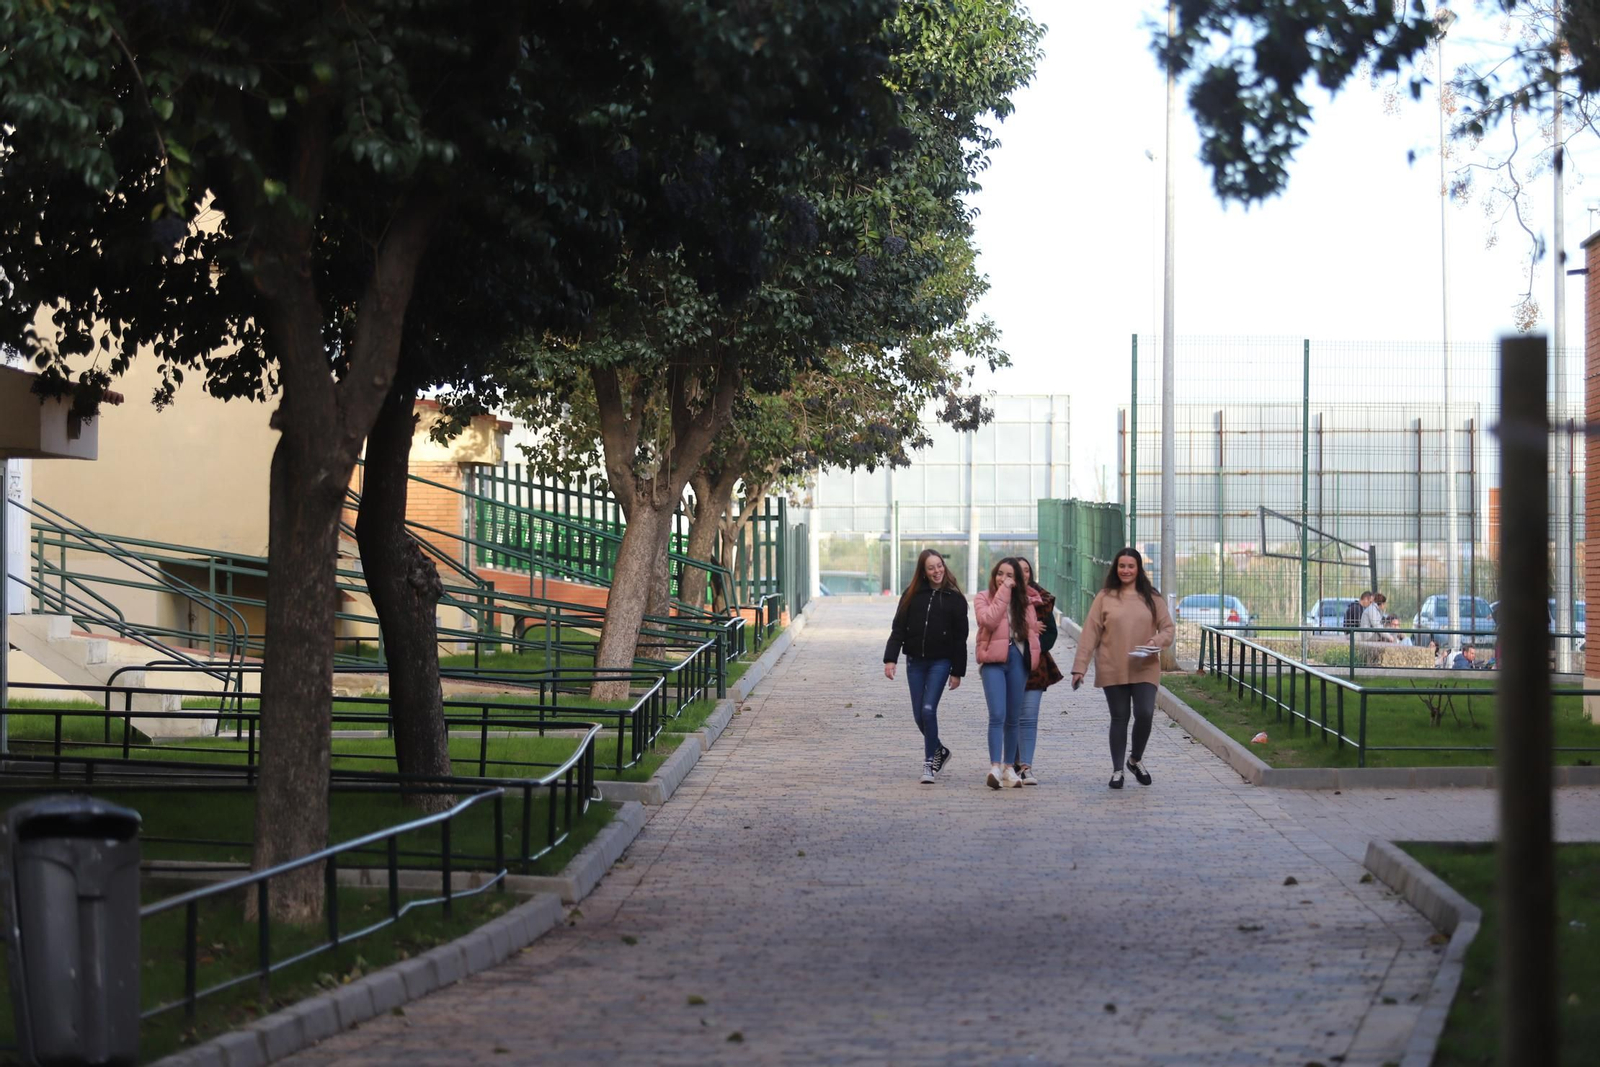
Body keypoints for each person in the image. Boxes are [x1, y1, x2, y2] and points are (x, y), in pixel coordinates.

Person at [1072, 548, 1175, 790]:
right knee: (1119, 717)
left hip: (1145, 666)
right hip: (1112, 666)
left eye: (1130, 566)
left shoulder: (1152, 597)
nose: (1126, 570)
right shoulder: (1105, 597)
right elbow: (1090, 634)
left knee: (1145, 713)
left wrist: (1155, 642)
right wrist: (1080, 667)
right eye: (1122, 566)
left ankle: (1135, 759)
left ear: (1138, 569)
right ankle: (1117, 770)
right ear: (1115, 569)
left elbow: (1168, 630)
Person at [883, 549, 967, 784]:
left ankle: (929, 763)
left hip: (941, 662)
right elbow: (898, 628)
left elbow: (961, 638)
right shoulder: (911, 595)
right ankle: (940, 749)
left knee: (929, 710)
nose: (936, 571)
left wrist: (957, 671)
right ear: (923, 571)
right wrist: (891, 658)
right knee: (919, 715)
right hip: (915, 663)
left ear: (944, 566)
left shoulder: (955, 598)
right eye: (931, 568)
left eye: (939, 566)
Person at [974, 557, 1043, 790]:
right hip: (993, 661)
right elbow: (990, 621)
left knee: (1013, 717)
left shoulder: (1025, 601)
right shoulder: (983, 598)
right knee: (998, 714)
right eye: (1000, 574)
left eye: (1010, 575)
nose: (1004, 579)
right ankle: (994, 766)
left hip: (1017, 660)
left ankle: (1008, 767)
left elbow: (1032, 631)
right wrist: (1004, 592)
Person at [1013, 557, 1062, 786]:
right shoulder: (1000, 599)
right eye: (1018, 570)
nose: (1023, 574)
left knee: (1029, 717)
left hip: (1035, 666)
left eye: (1026, 570)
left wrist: (1035, 648)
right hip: (1007, 664)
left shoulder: (1042, 599)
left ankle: (1026, 766)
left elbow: (1050, 632)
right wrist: (1026, 631)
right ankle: (1010, 762)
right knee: (1009, 717)